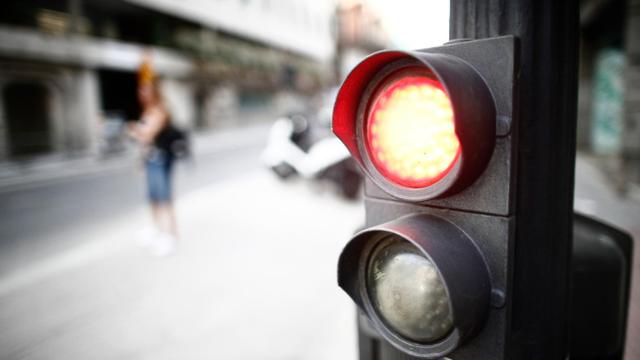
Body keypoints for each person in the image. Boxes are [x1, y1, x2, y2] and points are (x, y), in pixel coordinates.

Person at [129, 54, 178, 256]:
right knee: (153, 198)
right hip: (150, 159)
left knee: (164, 198)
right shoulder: (149, 111)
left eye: (145, 90)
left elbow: (146, 135)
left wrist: (134, 130)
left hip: (160, 159)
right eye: (141, 90)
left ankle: (171, 235)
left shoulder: (159, 110)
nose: (141, 93)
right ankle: (156, 229)